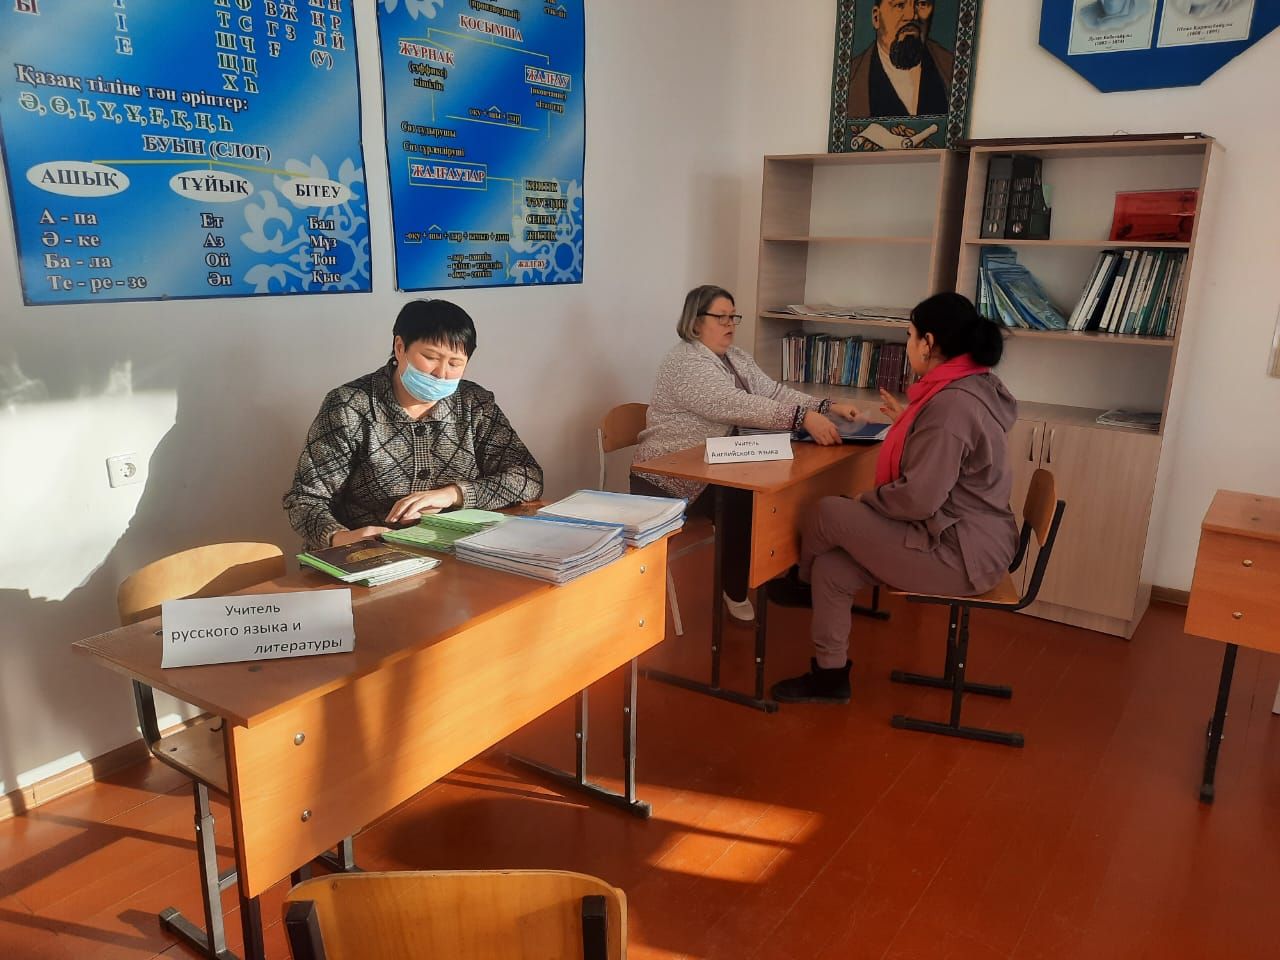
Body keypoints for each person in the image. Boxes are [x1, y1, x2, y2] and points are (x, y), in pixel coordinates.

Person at [768, 292, 1017, 703]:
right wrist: (911, 427)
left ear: (929, 343)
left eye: (910, 335)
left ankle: (801, 585)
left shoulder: (951, 406)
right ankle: (830, 677)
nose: (907, 345)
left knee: (828, 511)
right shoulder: (972, 384)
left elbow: (918, 499)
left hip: (961, 553)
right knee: (832, 567)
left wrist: (865, 501)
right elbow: (947, 457)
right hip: (964, 535)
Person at [631, 284, 859, 622]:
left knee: (783, 492)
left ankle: (785, 575)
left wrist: (827, 406)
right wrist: (802, 418)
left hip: (715, 466)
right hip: (668, 479)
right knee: (746, 498)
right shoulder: (685, 362)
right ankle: (736, 589)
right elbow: (736, 404)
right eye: (721, 317)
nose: (730, 324)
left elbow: (773, 393)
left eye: (733, 317)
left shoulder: (735, 357)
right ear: (696, 322)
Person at [284, 299, 543, 550]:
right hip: (368, 553)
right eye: (430, 357)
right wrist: (340, 538)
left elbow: (528, 477)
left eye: (455, 363)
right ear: (400, 347)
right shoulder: (349, 406)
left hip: (454, 550)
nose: (441, 373)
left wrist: (453, 494)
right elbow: (305, 499)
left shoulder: (473, 402)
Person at [846, 0, 954, 119]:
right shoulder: (849, 80)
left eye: (922, 4)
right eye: (899, 5)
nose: (911, 15)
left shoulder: (951, 67)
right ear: (877, 18)